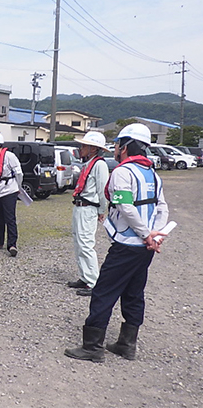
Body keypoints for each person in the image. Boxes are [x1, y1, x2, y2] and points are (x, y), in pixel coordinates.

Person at [65, 123, 169, 363]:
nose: (115, 148)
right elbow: (161, 207)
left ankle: (92, 347)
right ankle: (126, 344)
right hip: (145, 248)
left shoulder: (123, 172)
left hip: (127, 244)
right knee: (134, 292)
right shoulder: (152, 173)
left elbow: (125, 207)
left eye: (117, 144)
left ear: (125, 146)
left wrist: (145, 235)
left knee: (103, 292)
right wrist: (156, 235)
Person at [68, 131, 110, 297]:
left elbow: (102, 189)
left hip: (89, 208)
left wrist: (101, 210)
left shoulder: (99, 165)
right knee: (79, 242)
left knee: (86, 244)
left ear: (93, 149)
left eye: (84, 145)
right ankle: (85, 277)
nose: (81, 148)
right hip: (80, 206)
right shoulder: (89, 163)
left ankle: (93, 281)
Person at [0, 132, 22, 257]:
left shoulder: (9, 156)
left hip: (9, 191)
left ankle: (12, 245)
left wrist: (18, 187)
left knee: (10, 218)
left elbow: (18, 173)